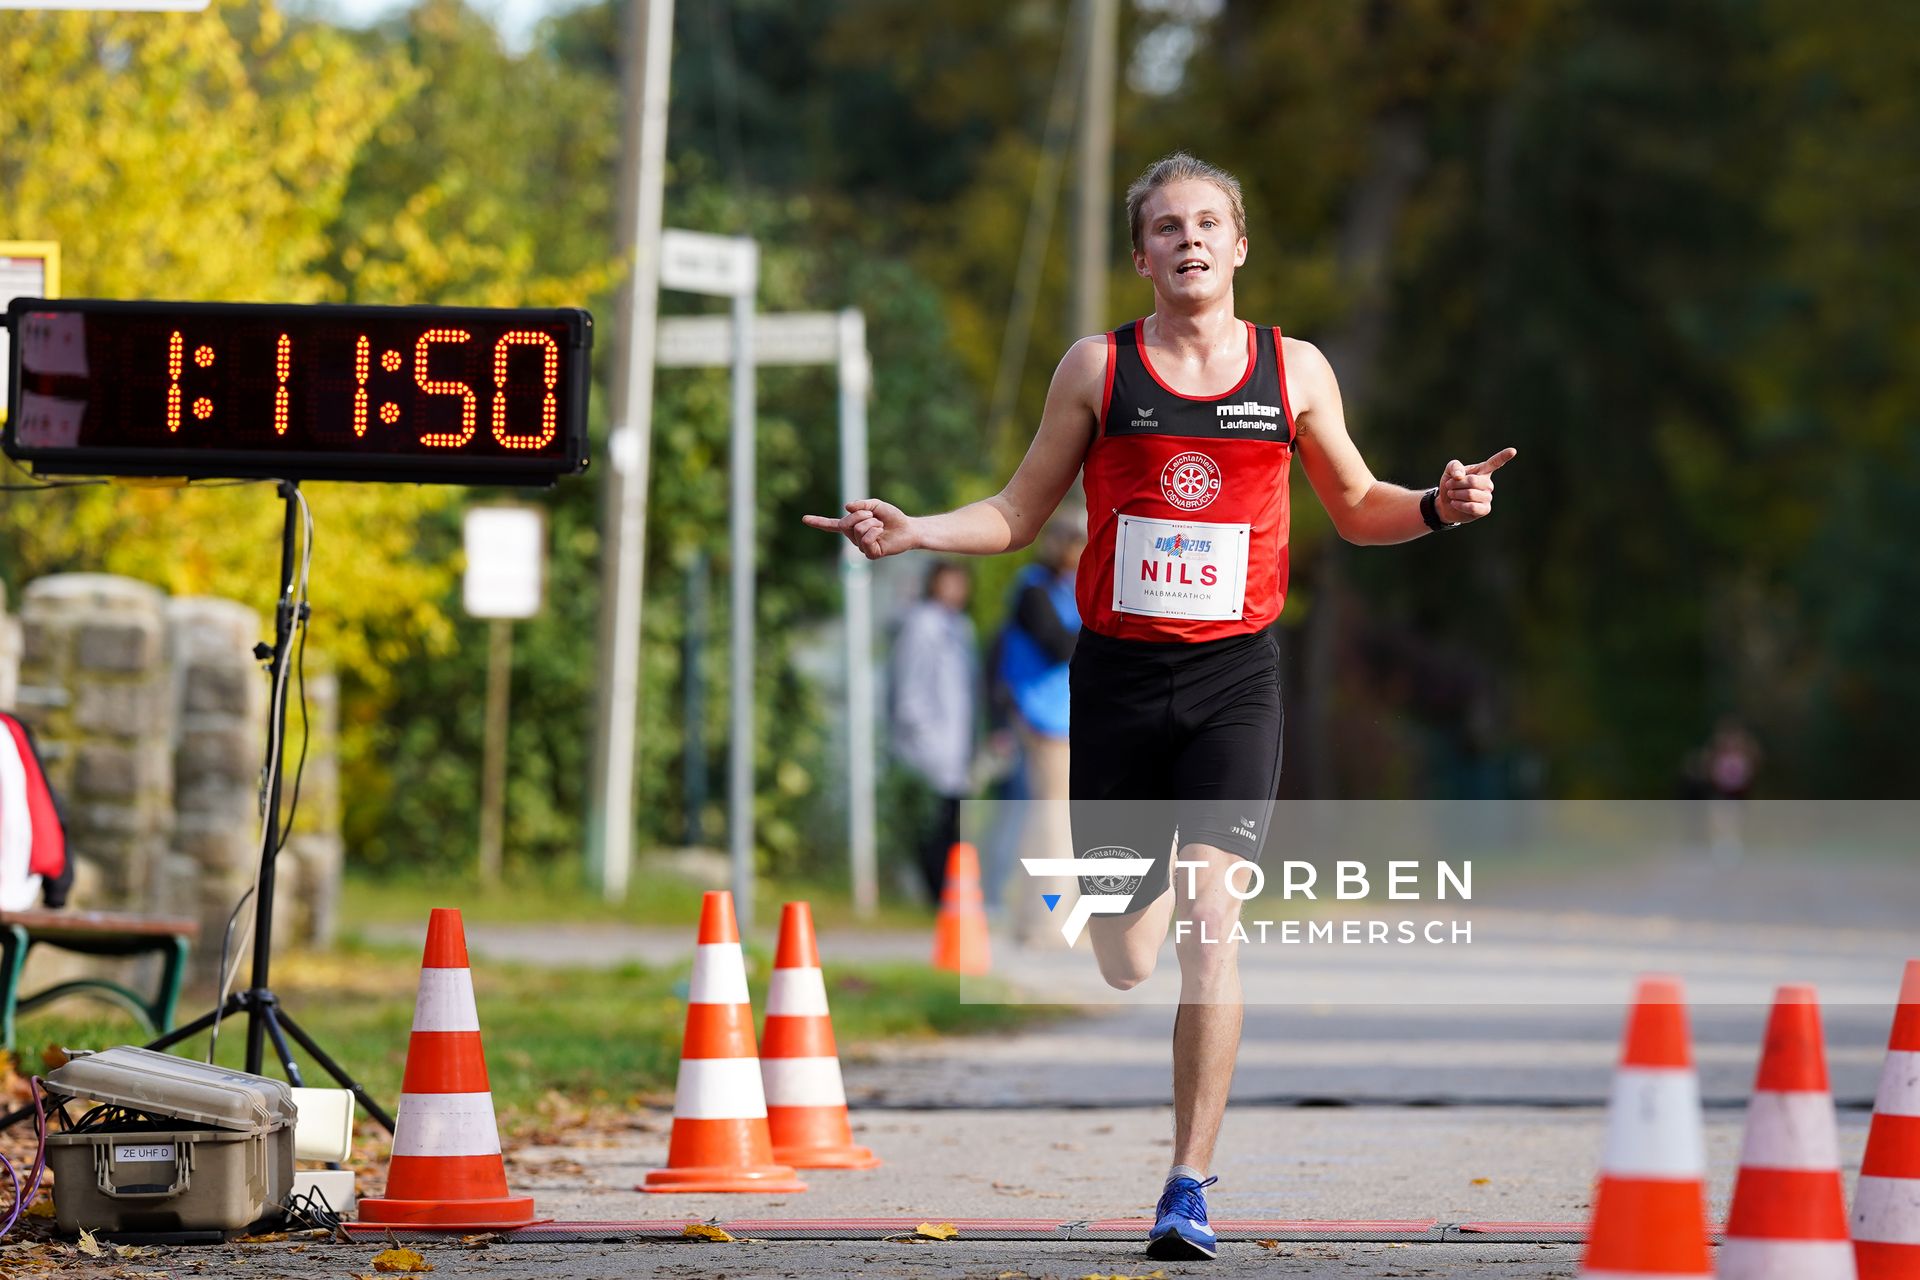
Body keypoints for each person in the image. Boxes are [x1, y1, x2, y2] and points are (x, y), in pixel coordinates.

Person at [807, 151, 1514, 1260]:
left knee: (1209, 926)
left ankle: (1187, 1181)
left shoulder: (1296, 371)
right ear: (1140, 255)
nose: (1190, 240)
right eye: (1168, 227)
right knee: (1127, 956)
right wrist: (915, 532)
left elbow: (1360, 505)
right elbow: (1015, 507)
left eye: (1209, 223)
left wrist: (1436, 503)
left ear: (1239, 247)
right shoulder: (1098, 368)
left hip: (1237, 676)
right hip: (1121, 682)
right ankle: (1138, 996)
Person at [998, 514, 1085, 946]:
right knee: (1053, 821)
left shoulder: (1068, 590)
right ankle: (1043, 921)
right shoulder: (1034, 589)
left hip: (1073, 716)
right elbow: (1060, 646)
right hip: (1046, 718)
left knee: (1070, 821)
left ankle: (1064, 918)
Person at [887, 560, 977, 902]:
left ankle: (949, 895)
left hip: (954, 744)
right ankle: (936, 896)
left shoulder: (961, 626)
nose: (955, 590)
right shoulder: (922, 624)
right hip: (928, 745)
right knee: (933, 825)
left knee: (954, 822)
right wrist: (922, 737)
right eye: (948, 582)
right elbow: (909, 687)